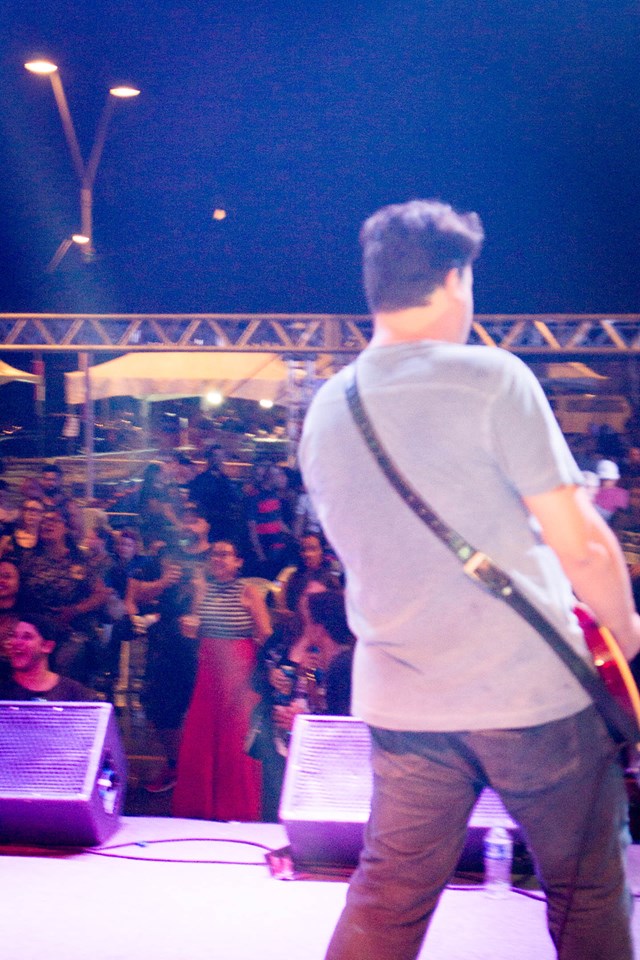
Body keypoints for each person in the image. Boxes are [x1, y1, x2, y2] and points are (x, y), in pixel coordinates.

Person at [299, 199, 640, 960]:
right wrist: (622, 637)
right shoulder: (492, 378)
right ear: (455, 279)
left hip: (403, 703)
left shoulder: (324, 409)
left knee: (387, 898)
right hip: (529, 698)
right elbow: (582, 543)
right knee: (585, 891)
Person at [171, 538, 272, 822]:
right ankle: (201, 806)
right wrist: (189, 627)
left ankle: (237, 808)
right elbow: (194, 628)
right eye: (215, 554)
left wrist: (257, 667)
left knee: (235, 735)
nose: (218, 559)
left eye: (225, 555)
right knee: (204, 734)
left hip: (238, 669)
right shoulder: (203, 589)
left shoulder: (248, 591)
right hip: (209, 668)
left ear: (238, 562)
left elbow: (265, 632)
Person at [0, 616, 98, 701]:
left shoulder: (75, 693)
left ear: (47, 646)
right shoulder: (3, 689)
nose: (16, 642)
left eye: (27, 637)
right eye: (13, 636)